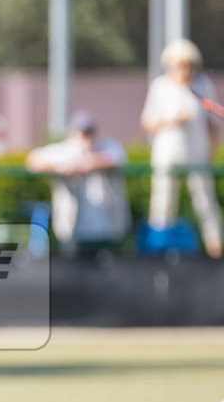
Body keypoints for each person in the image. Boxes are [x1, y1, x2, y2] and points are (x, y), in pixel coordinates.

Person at [140, 38, 223, 258]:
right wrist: (171, 119)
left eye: (189, 65)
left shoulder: (202, 84)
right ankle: (159, 246)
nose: (185, 70)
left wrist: (211, 152)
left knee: (204, 198)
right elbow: (147, 121)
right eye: (180, 65)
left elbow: (212, 123)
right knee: (163, 199)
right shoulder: (160, 86)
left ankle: (214, 245)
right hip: (167, 154)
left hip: (197, 154)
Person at [24, 111, 131, 253]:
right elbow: (33, 160)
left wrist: (85, 163)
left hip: (109, 229)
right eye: (81, 133)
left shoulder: (108, 145)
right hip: (72, 229)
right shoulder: (63, 150)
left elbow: (116, 159)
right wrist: (62, 166)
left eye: (89, 132)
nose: (85, 137)